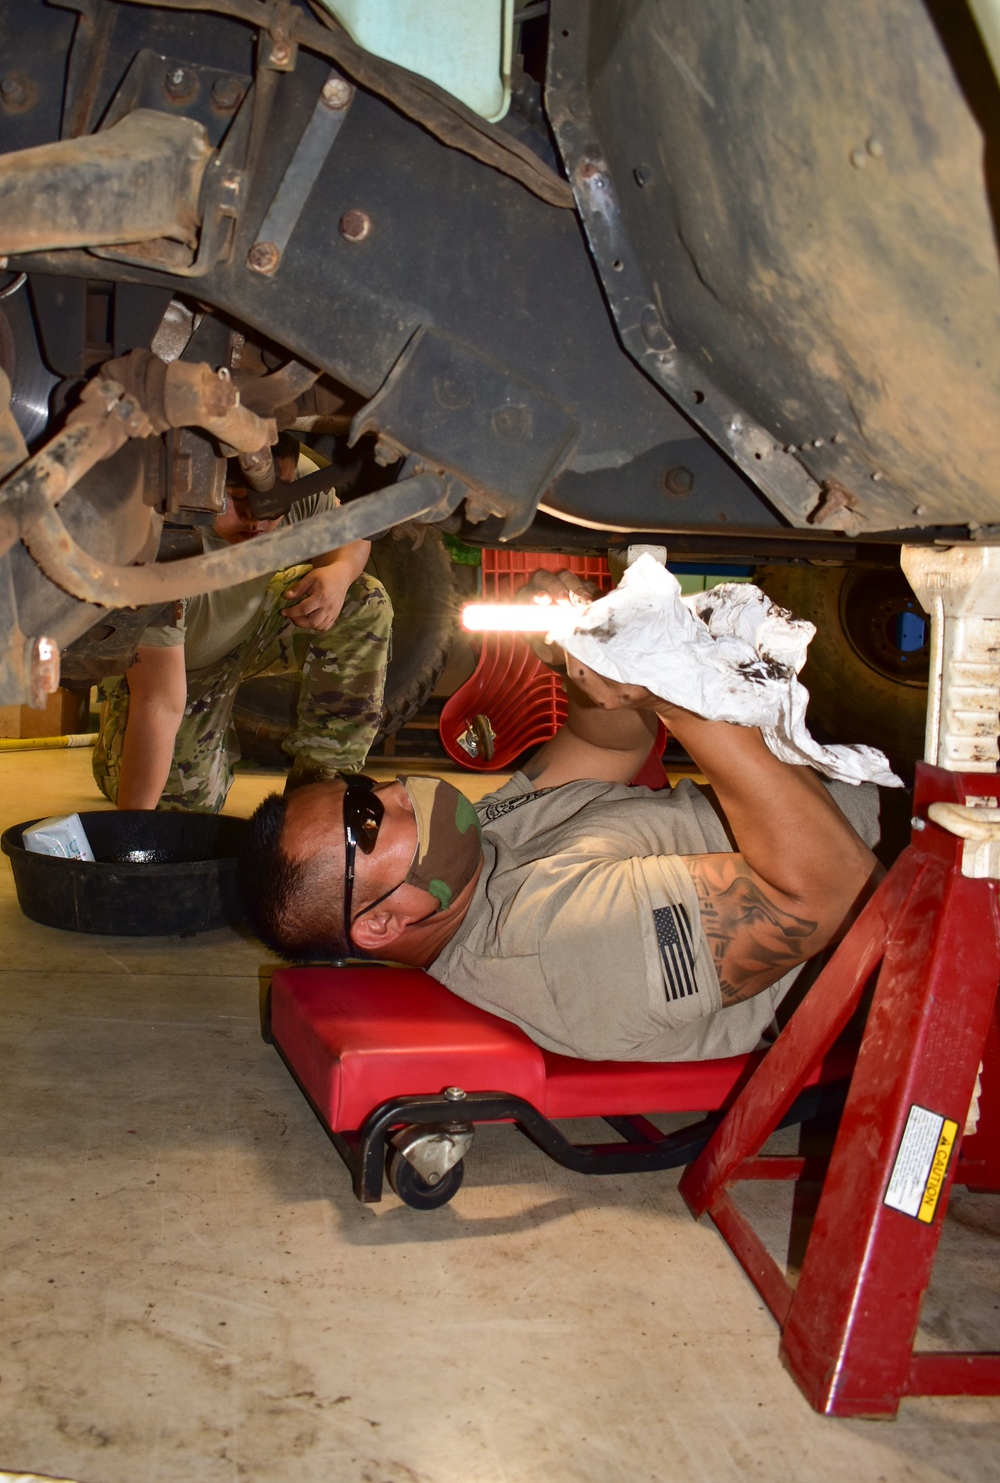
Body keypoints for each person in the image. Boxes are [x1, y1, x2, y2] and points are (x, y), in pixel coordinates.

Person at [240, 571, 882, 1063]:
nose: (381, 786)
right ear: (382, 922)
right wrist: (671, 693)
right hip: (934, 887)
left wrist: (577, 655)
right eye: (364, 819)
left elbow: (611, 744)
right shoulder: (554, 943)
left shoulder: (476, 851)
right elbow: (825, 893)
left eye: (356, 784)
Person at [93, 435, 392, 812]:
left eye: (276, 504)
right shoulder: (153, 539)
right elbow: (159, 702)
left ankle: (318, 798)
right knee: (181, 817)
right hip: (173, 670)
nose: (259, 518)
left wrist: (340, 572)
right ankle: (112, 757)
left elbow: (354, 531)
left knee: (364, 599)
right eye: (235, 497)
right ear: (196, 478)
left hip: (253, 628)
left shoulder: (290, 478)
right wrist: (132, 834)